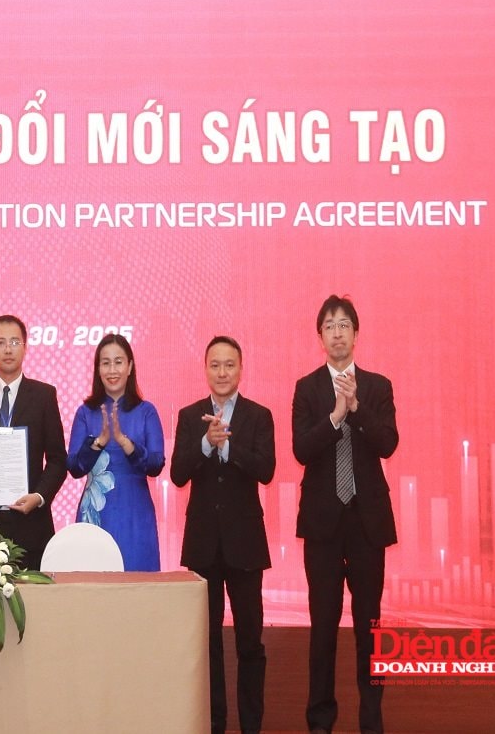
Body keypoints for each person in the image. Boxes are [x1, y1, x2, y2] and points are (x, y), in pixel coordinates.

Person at [293, 295, 398, 734]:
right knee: (322, 626)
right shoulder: (307, 388)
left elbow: (388, 443)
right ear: (320, 337)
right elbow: (302, 449)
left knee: (369, 625)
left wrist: (355, 409)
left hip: (366, 523)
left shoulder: (377, 386)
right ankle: (320, 720)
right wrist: (335, 416)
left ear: (356, 334)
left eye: (344, 325)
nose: (337, 333)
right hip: (322, 525)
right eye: (329, 326)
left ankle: (371, 720)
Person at [170, 335, 275, 734]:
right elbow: (178, 473)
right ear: (205, 369)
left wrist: (228, 448)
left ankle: (251, 725)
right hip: (203, 545)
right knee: (208, 642)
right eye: (215, 365)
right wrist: (204, 443)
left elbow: (266, 469)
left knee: (250, 642)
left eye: (229, 364)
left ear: (241, 369)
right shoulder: (189, 415)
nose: (222, 372)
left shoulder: (258, 415)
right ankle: (214, 723)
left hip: (245, 544)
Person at [0, 314, 66, 569]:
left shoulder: (44, 395)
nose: (8, 349)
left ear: (25, 347)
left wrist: (39, 496)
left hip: (32, 524)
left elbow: (57, 459)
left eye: (15, 342)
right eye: (1, 343)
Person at [66, 333, 164, 571]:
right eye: (105, 363)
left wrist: (125, 442)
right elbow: (74, 467)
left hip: (136, 513)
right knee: (94, 582)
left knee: (137, 581)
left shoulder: (146, 411)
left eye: (118, 362)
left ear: (130, 367)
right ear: (98, 369)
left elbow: (156, 464)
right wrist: (99, 442)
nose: (112, 370)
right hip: (97, 513)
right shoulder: (85, 412)